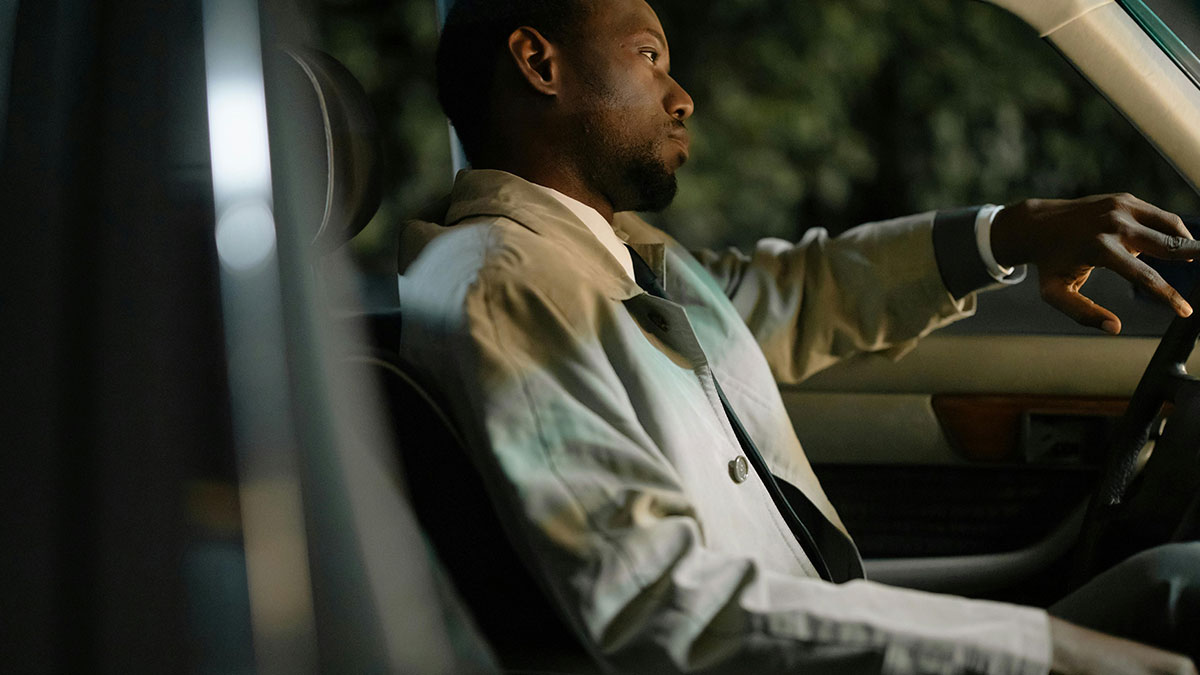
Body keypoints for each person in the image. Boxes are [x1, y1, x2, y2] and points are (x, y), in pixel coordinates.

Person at [396, 0, 1200, 672]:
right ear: (540, 63)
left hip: (811, 628)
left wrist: (1011, 234)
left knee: (1174, 581)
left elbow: (780, 297)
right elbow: (659, 604)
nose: (682, 97)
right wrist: (1047, 653)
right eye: (648, 55)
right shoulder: (506, 285)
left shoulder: (604, 253)